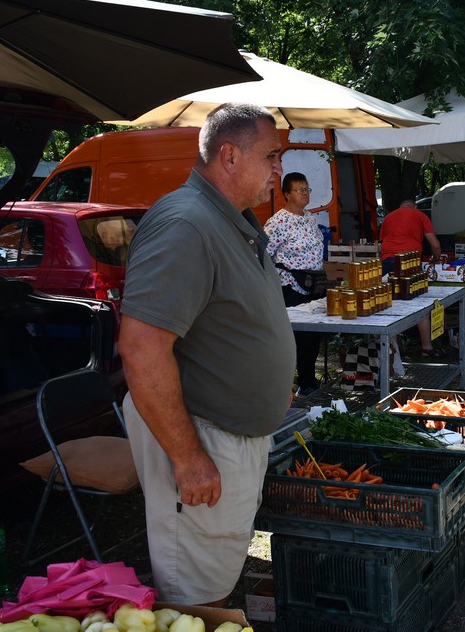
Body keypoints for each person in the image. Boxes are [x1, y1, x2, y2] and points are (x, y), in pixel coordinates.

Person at [118, 104, 295, 606]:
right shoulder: (186, 225)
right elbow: (141, 347)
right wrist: (187, 456)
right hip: (204, 438)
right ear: (230, 155)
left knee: (213, 573)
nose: (279, 170)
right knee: (194, 592)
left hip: (228, 436)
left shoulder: (227, 218)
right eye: (272, 156)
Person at [264, 172, 324, 396]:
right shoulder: (278, 222)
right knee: (296, 336)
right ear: (286, 194)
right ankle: (295, 384)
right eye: (300, 190)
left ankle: (308, 381)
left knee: (314, 334)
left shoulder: (310, 218)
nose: (305, 194)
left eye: (307, 189)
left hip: (314, 285)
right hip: (291, 287)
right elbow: (262, 254)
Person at [379, 198, 443, 357]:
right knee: (417, 301)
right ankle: (426, 348)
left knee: (389, 304)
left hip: (387, 261)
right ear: (414, 206)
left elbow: (382, 242)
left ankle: (392, 351)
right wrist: (436, 258)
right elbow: (434, 244)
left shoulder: (388, 217)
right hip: (409, 261)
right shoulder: (419, 215)